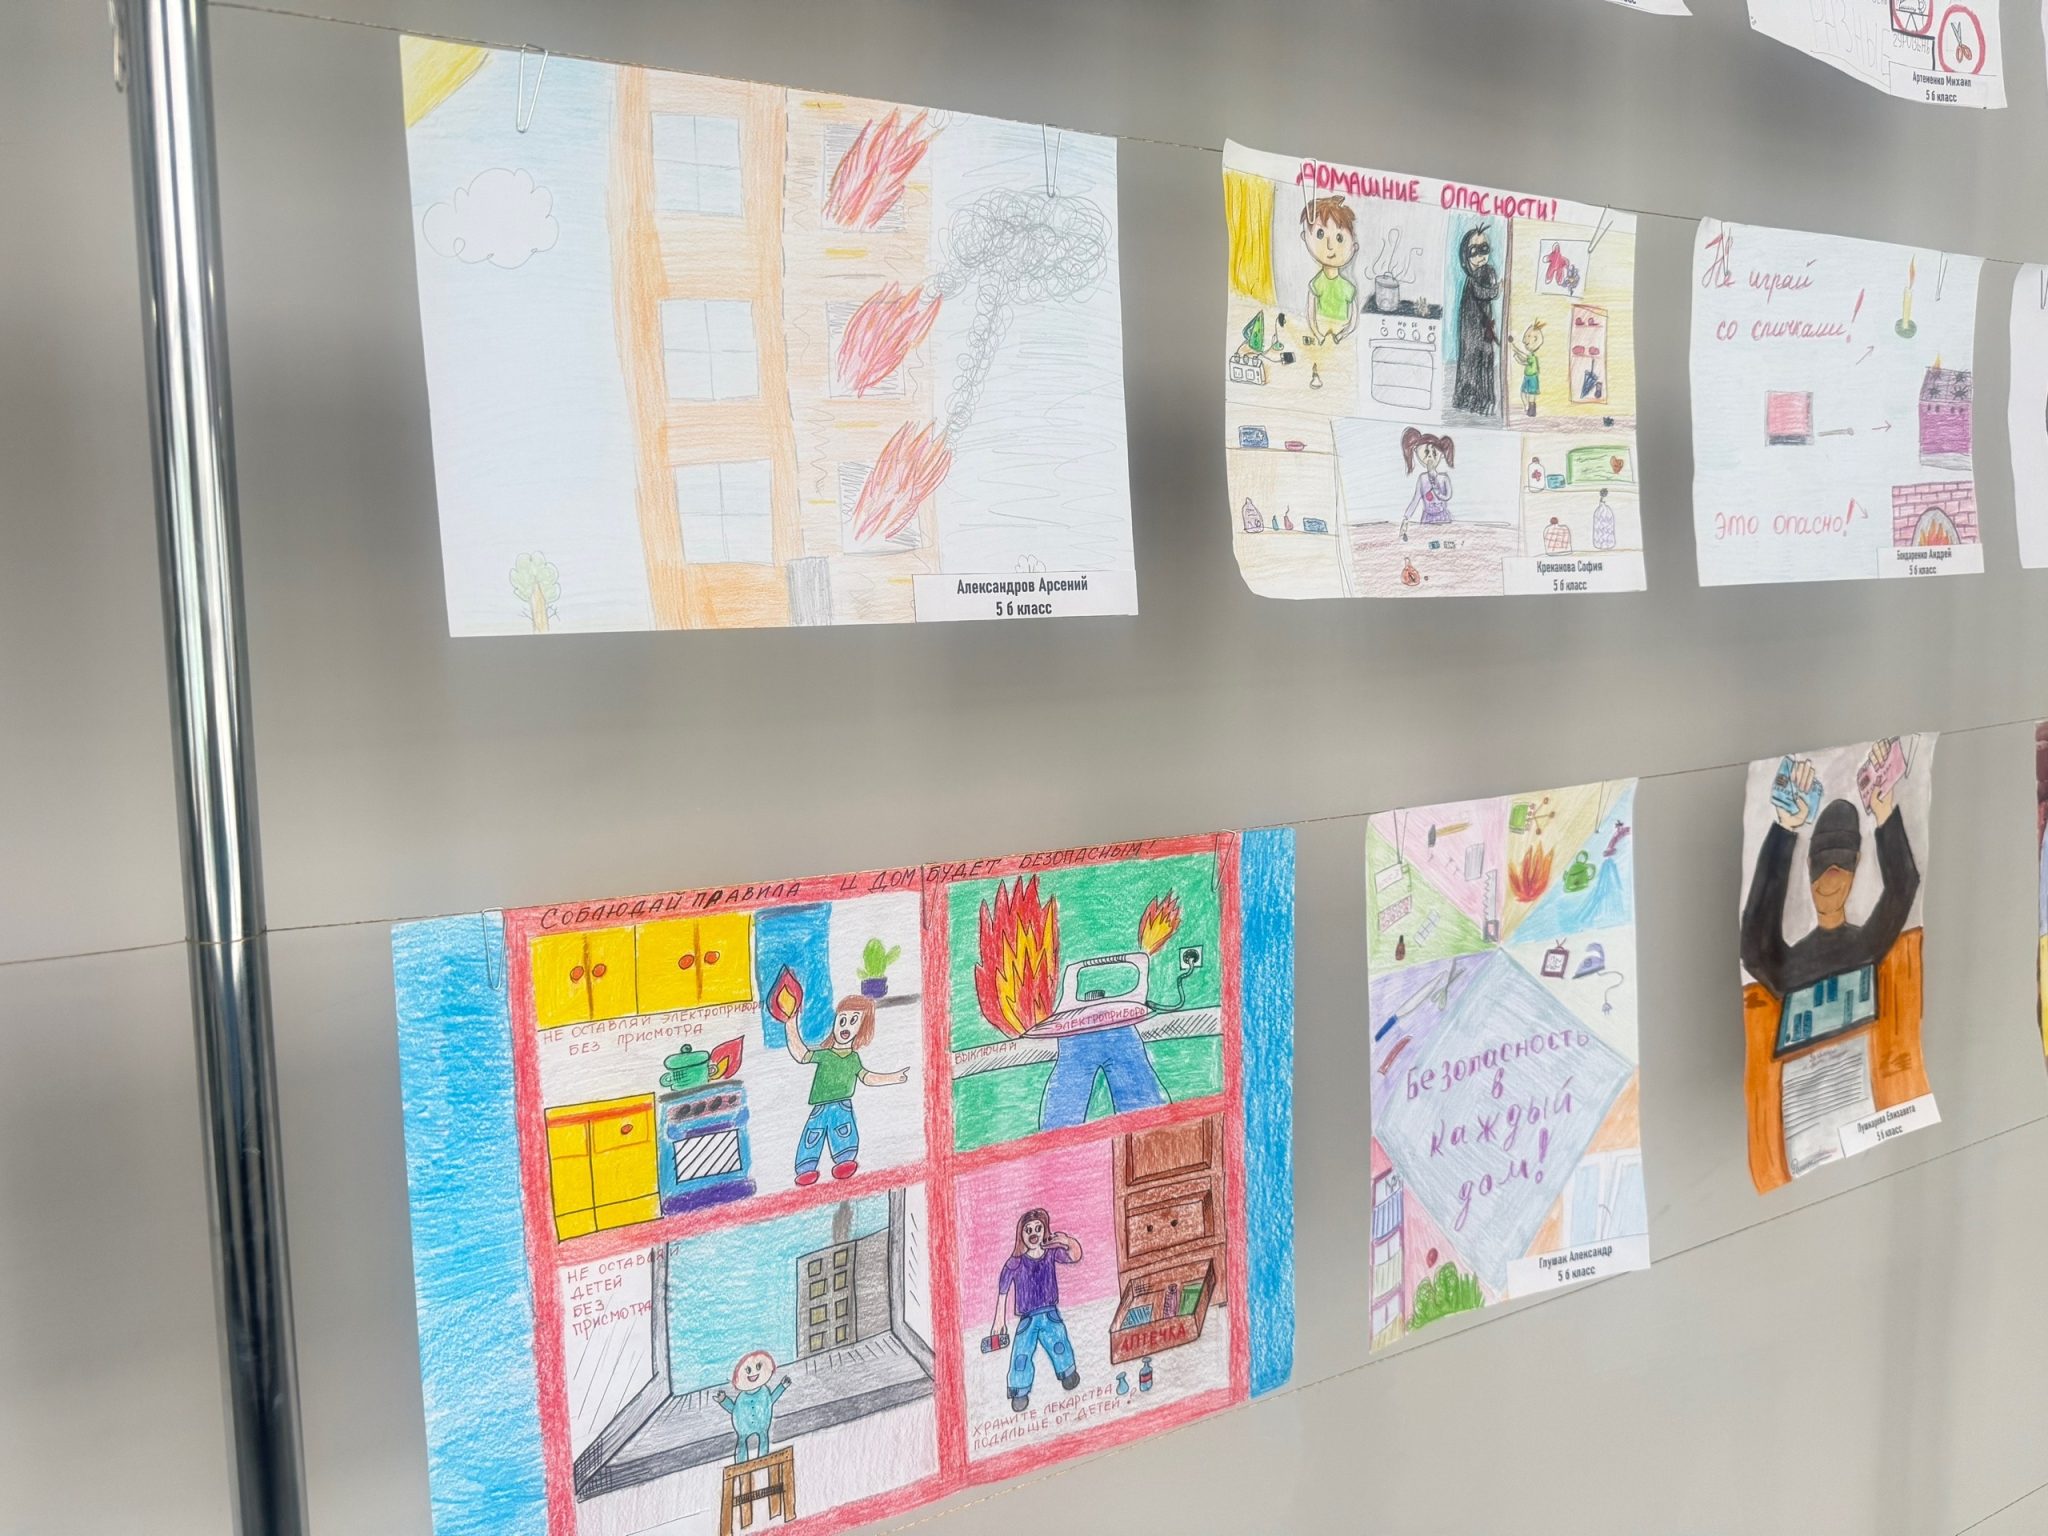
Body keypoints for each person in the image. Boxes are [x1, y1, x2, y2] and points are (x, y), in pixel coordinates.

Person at [1739, 747, 1920, 999]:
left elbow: (1903, 886)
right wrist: (1784, 830)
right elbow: (1754, 951)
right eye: (1822, 866)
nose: (1829, 878)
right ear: (1809, 864)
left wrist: (1884, 812)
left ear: (1855, 865)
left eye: (1840, 866)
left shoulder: (1866, 946)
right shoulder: (1790, 966)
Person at [785, 995, 907, 1186]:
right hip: (820, 1108)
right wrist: (790, 1025)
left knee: (844, 1134)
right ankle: (806, 1168)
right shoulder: (825, 1055)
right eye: (842, 1020)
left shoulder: (853, 1059)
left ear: (862, 1028)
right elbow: (801, 1055)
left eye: (853, 1021)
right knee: (812, 1137)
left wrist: (893, 1077)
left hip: (843, 1106)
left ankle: (844, 1162)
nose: (845, 1026)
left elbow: (867, 1077)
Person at [990, 1208, 1083, 1413]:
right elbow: (1003, 1289)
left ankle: (1068, 1373)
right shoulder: (1015, 1262)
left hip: (1050, 1312)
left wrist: (1067, 1241)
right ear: (1021, 1234)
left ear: (1044, 1230)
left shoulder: (1051, 1253)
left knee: (1059, 1344)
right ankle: (1020, 1391)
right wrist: (999, 1320)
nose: (1033, 1233)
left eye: (1038, 1228)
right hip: (1028, 1318)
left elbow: (1075, 1256)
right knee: (1021, 1354)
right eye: (1028, 1230)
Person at [1451, 225, 1502, 417]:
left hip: (1482, 328)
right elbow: (1483, 293)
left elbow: (1485, 294)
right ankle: (1468, 399)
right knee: (1470, 363)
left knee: (1485, 360)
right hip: (1470, 330)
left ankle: (1484, 400)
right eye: (1474, 251)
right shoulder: (1473, 279)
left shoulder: (1486, 272)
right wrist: (1497, 289)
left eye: (1484, 249)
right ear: (1465, 256)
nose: (1480, 256)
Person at [1299, 196, 1358, 344]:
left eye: (1339, 238)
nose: (1330, 246)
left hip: (1342, 337)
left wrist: (1343, 335)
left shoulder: (1348, 287)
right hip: (1320, 335)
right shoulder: (1316, 284)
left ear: (1354, 246)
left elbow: (1354, 319)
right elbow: (1310, 315)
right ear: (1305, 237)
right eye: (1320, 234)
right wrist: (1318, 335)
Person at [715, 1350, 790, 1464]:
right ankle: (741, 1465)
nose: (753, 1373)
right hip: (743, 1426)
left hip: (762, 1424)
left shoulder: (764, 1392)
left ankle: (764, 1462)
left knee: (763, 1437)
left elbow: (771, 1399)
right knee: (742, 1441)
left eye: (758, 1367)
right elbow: (734, 1409)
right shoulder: (741, 1398)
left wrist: (782, 1386)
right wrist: (723, 1400)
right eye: (748, 1370)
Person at [1398, 429, 1455, 541]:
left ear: (1441, 455)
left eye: (1434, 453)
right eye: (1426, 453)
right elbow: (1415, 500)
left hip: (1443, 518)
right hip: (1427, 519)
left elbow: (1447, 496)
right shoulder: (1422, 479)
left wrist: (1436, 488)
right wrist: (1406, 518)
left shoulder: (1444, 478)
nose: (1429, 457)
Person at [1507, 319, 1546, 418]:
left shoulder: (1532, 357)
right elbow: (1523, 360)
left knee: (1530, 396)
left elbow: (1523, 359)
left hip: (1532, 378)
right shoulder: (1531, 356)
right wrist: (1515, 351)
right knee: (1523, 393)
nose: (1526, 340)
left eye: (1529, 336)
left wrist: (1515, 350)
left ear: (1535, 339)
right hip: (1527, 377)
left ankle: (1531, 411)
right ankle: (1528, 408)